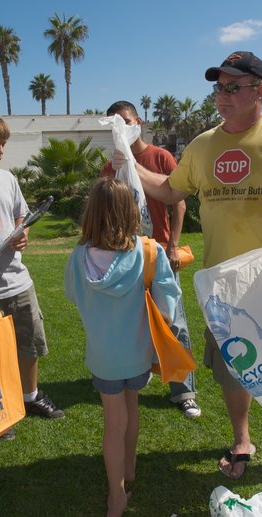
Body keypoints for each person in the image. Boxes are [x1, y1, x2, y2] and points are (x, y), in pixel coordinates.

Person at [114, 51, 262, 480]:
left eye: (233, 87)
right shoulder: (202, 145)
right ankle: (242, 438)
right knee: (233, 367)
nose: (222, 96)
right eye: (219, 87)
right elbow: (168, 191)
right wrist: (128, 158)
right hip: (225, 286)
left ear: (260, 91)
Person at [64, 177, 181, 517]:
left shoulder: (78, 257)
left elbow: (73, 295)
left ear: (92, 213)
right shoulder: (149, 251)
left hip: (103, 356)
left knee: (114, 422)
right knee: (132, 411)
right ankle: (127, 473)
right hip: (138, 352)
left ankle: (117, 494)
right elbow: (167, 309)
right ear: (130, 211)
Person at [0, 111, 64, 441]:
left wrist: (23, 234)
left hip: (18, 280)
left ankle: (29, 396)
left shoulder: (6, 178)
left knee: (29, 343)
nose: (0, 151)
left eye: (3, 144)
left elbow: (19, 214)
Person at [100, 100, 201, 419]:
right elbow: (105, 208)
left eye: (126, 123)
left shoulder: (160, 157)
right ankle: (130, 380)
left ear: (138, 122)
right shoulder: (112, 164)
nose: (123, 131)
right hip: (126, 259)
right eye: (116, 125)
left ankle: (184, 391)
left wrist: (173, 245)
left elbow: (179, 203)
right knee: (128, 324)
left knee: (175, 321)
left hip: (158, 254)